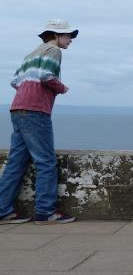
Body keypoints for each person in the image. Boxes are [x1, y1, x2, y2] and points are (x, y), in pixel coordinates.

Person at [0, 19, 78, 225]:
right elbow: (46, 75)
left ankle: (2, 210)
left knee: (16, 162)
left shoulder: (30, 54)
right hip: (35, 111)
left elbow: (14, 81)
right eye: (68, 35)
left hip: (18, 108)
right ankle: (45, 211)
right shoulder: (53, 51)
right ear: (55, 35)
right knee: (46, 162)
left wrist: (27, 92)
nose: (70, 39)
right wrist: (61, 88)